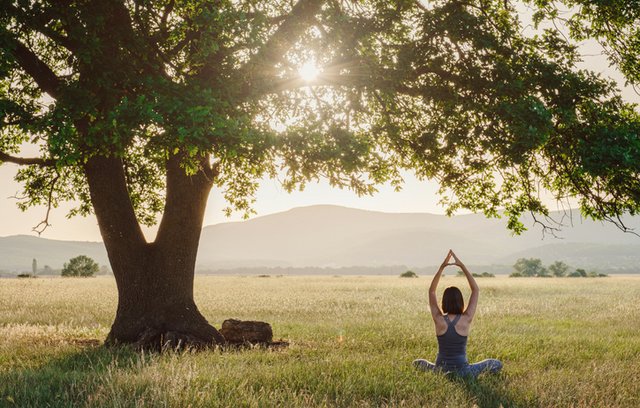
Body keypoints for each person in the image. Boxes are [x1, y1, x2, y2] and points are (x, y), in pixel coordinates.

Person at [413, 250, 502, 378]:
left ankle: (440, 372)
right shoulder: (466, 318)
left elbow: (431, 291)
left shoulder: (438, 319)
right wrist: (462, 266)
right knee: (496, 363)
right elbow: (475, 290)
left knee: (417, 363)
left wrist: (442, 267)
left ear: (444, 302)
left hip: (440, 370)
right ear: (461, 301)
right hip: (464, 372)